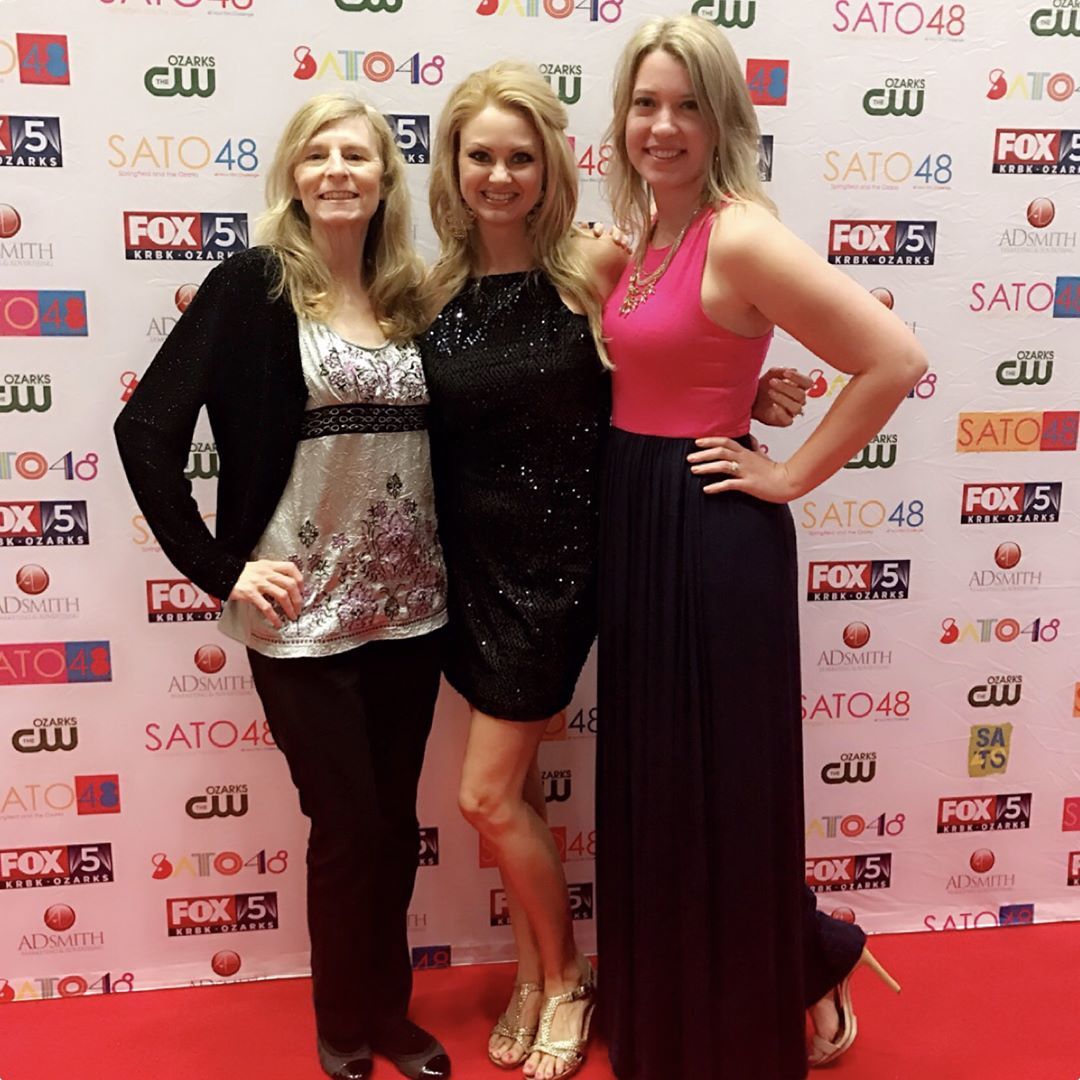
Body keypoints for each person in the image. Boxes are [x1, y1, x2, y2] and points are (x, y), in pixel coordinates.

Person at [418, 62, 808, 1080]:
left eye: (521, 158)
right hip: (469, 573)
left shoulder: (596, 262)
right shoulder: (427, 288)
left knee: (484, 796)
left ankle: (566, 978)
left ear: (552, 167)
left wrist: (748, 396)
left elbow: (672, 340)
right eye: (480, 156)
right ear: (450, 166)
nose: (499, 176)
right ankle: (533, 971)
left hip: (560, 568)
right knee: (515, 794)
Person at [593, 16, 924, 1080]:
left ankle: (802, 970)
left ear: (725, 120)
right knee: (664, 781)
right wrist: (750, 394)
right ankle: (682, 1002)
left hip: (710, 531)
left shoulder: (736, 233)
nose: (664, 125)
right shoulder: (642, 237)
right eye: (647, 103)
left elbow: (892, 358)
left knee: (727, 782)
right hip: (638, 521)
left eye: (688, 105)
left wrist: (788, 474)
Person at [114, 93, 451, 1080]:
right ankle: (342, 1022)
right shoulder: (253, 287)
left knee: (396, 826)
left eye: (358, 154)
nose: (338, 170)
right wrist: (222, 569)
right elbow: (146, 431)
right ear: (295, 177)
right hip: (301, 616)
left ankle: (389, 1014)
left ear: (386, 177)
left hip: (411, 612)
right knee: (347, 826)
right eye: (318, 154)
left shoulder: (412, 298)